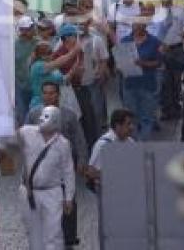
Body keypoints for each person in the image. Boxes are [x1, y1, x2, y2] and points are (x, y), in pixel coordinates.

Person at [17, 106, 75, 250]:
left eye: (47, 117)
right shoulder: (26, 132)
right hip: (29, 192)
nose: (42, 119)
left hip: (52, 192)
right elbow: (10, 139)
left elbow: (68, 171)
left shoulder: (63, 144)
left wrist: (68, 198)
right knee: (33, 232)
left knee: (53, 233)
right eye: (43, 116)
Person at [86, 109, 135, 188]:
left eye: (132, 124)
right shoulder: (103, 144)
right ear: (118, 126)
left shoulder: (131, 142)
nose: (132, 127)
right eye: (128, 124)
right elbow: (91, 172)